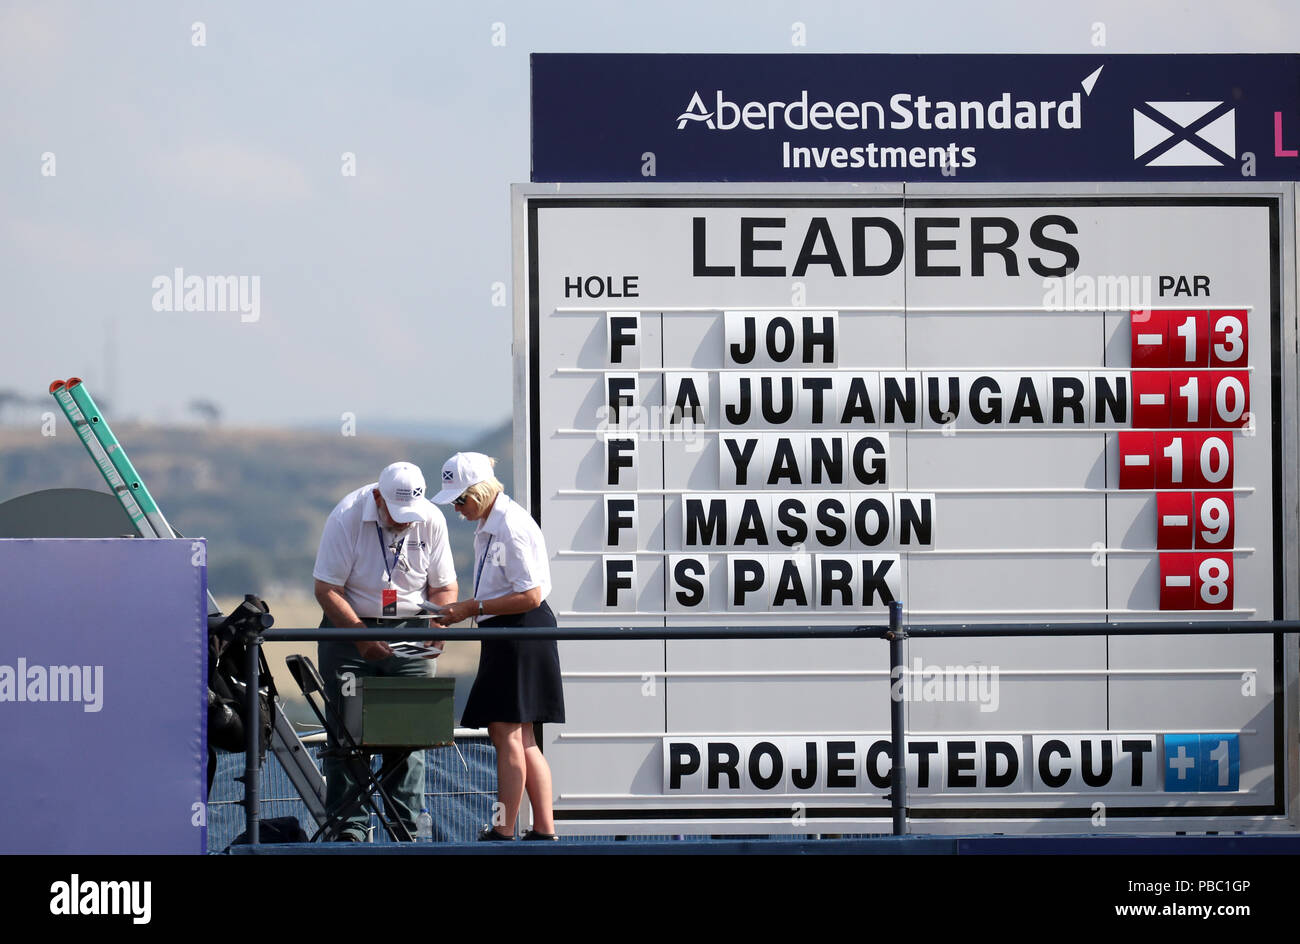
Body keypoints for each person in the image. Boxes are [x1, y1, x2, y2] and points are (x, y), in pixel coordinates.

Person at [312, 461, 457, 841]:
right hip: (349, 631)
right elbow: (327, 589)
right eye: (397, 515)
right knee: (346, 736)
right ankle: (349, 831)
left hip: (411, 631)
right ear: (377, 497)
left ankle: (405, 830)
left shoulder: (431, 520)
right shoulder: (346, 515)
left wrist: (439, 623)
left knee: (411, 737)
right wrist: (359, 636)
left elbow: (444, 586)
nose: (405, 523)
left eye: (410, 517)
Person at [431, 452, 564, 841]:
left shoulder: (509, 526)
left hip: (518, 629)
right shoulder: (494, 521)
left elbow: (531, 595)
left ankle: (505, 827)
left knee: (504, 731)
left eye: (460, 499)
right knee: (522, 736)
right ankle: (542, 828)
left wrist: (472, 607)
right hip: (511, 629)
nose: (456, 508)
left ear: (481, 491)